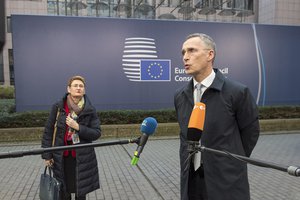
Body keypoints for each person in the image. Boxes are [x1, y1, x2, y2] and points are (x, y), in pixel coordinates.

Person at [174, 33, 260, 200]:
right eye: (183, 52)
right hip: (191, 179)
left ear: (210, 54)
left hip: (226, 180)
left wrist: (230, 161)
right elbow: (184, 136)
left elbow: (251, 133)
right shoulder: (180, 96)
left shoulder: (237, 92)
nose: (185, 57)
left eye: (192, 50)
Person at [41, 75, 101, 200]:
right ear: (69, 89)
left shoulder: (90, 110)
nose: (78, 88)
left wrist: (78, 127)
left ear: (84, 90)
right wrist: (47, 155)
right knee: (63, 192)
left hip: (82, 159)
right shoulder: (58, 107)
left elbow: (96, 133)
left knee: (80, 193)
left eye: (81, 86)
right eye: (75, 85)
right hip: (61, 158)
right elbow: (48, 131)